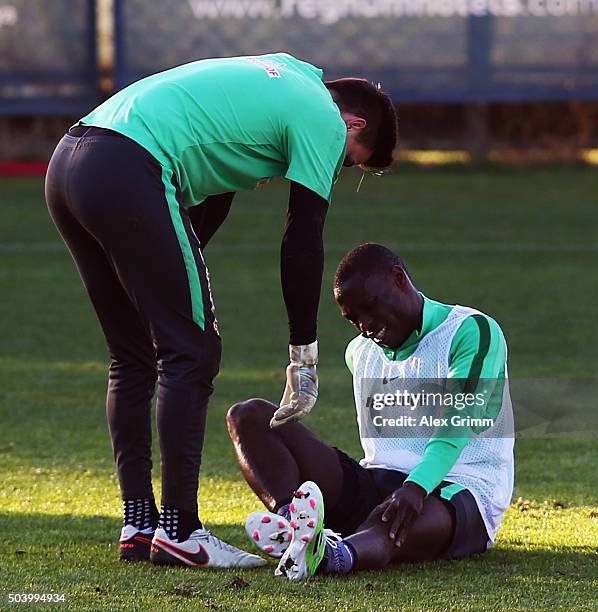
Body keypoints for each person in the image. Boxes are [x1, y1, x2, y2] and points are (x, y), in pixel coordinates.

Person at [44, 54, 398, 568]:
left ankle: (140, 525)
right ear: (353, 123)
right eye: (348, 160)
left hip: (71, 161)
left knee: (135, 353)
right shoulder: (323, 117)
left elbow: (213, 193)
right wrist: (303, 351)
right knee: (192, 350)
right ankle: (180, 531)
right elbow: (302, 237)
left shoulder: (283, 78)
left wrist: (168, 274)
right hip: (128, 167)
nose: (335, 167)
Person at [227, 243, 514, 579]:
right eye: (352, 318)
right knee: (248, 416)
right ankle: (294, 526)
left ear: (399, 279)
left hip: (459, 490)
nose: (364, 324)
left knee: (388, 522)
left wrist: (415, 487)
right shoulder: (359, 352)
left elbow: (456, 426)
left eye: (369, 307)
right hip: (379, 481)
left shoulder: (471, 331)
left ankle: (332, 555)